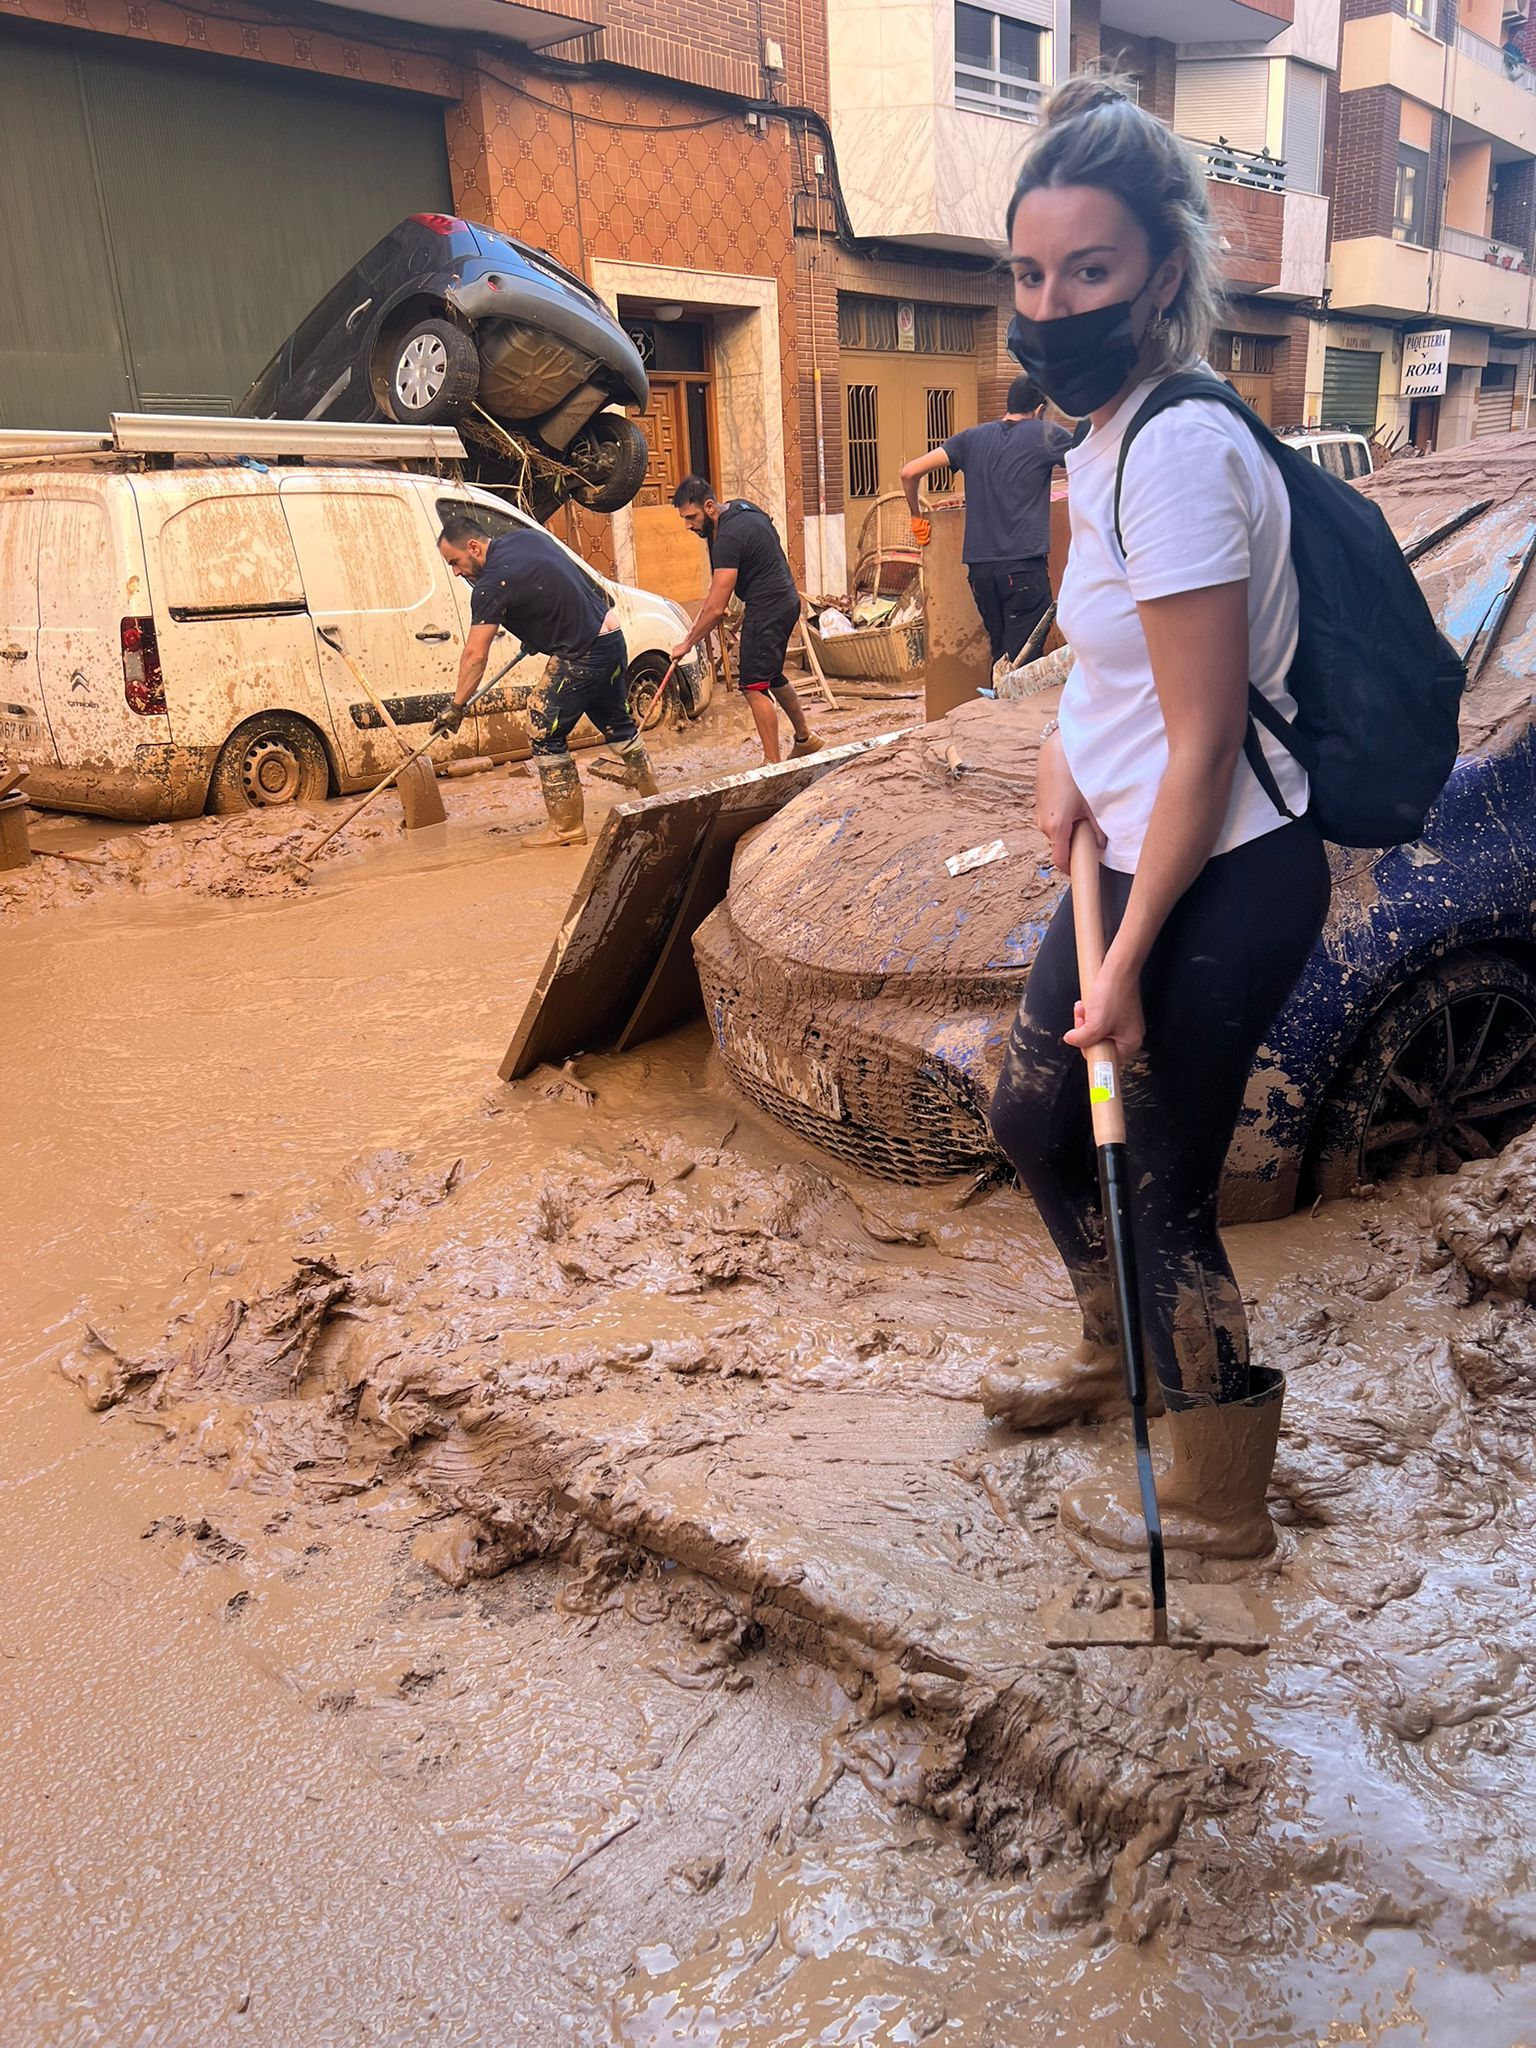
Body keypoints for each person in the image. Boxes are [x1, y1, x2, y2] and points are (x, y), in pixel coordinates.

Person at [982, 74, 1331, 1563]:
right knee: (1031, 1113)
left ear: (1162, 276)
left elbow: (1202, 747)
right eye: (1029, 272)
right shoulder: (1106, 435)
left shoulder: (1182, 451)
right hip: (1115, 855)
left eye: (1090, 271)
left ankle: (1217, 1500)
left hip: (1219, 876)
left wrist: (1123, 969)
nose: (1051, 303)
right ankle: (1113, 1349)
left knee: (1163, 1191)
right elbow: (1121, 663)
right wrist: (1067, 749)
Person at [433, 514, 656, 848]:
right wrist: (540, 629)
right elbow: (557, 582)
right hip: (611, 639)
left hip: (583, 653)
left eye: (455, 562)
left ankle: (566, 828)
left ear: (474, 548)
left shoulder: (490, 584)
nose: (456, 571)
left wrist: (457, 706)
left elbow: (475, 655)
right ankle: (653, 801)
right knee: (618, 724)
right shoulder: (524, 539)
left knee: (543, 727)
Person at [900, 374, 1070, 667]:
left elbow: (909, 472)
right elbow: (1093, 458)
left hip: (981, 574)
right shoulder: (1044, 434)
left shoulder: (971, 438)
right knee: (1023, 665)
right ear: (1040, 410)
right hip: (1023, 568)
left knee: (1002, 655)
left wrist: (917, 517)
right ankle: (1008, 711)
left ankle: (995, 707)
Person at [668, 478, 824, 766]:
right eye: (684, 519)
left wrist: (687, 644)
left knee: (753, 685)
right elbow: (757, 560)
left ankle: (771, 763)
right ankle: (805, 739)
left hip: (768, 608)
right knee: (772, 675)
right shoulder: (743, 508)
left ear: (710, 506)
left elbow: (715, 608)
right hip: (786, 599)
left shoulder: (727, 538)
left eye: (691, 517)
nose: (688, 526)